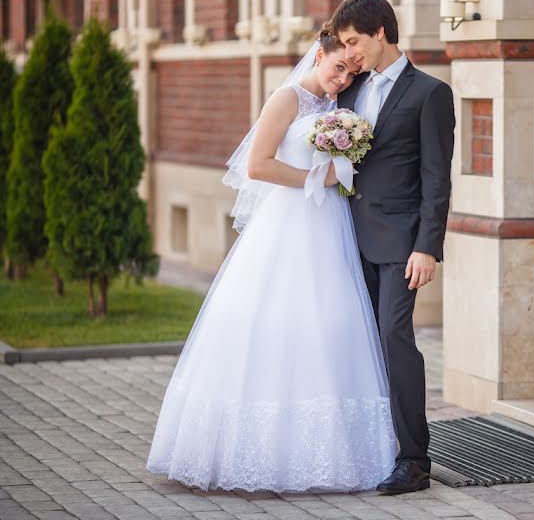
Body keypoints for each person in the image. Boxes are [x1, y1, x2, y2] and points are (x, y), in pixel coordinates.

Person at [145, 28, 397, 493]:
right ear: (318, 55)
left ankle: (332, 449)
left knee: (331, 320)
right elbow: (257, 164)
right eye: (337, 66)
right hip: (289, 222)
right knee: (274, 316)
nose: (343, 78)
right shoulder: (287, 98)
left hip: (330, 227)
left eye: (351, 71)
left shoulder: (338, 109)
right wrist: (314, 179)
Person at [331, 0, 455, 494]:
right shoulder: (349, 90)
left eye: (355, 41)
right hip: (345, 240)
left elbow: (436, 179)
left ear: (381, 32)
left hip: (402, 247)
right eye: (343, 44)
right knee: (357, 344)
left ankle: (414, 460)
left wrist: (428, 246)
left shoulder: (430, 93)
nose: (351, 52)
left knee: (394, 339)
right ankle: (372, 445)